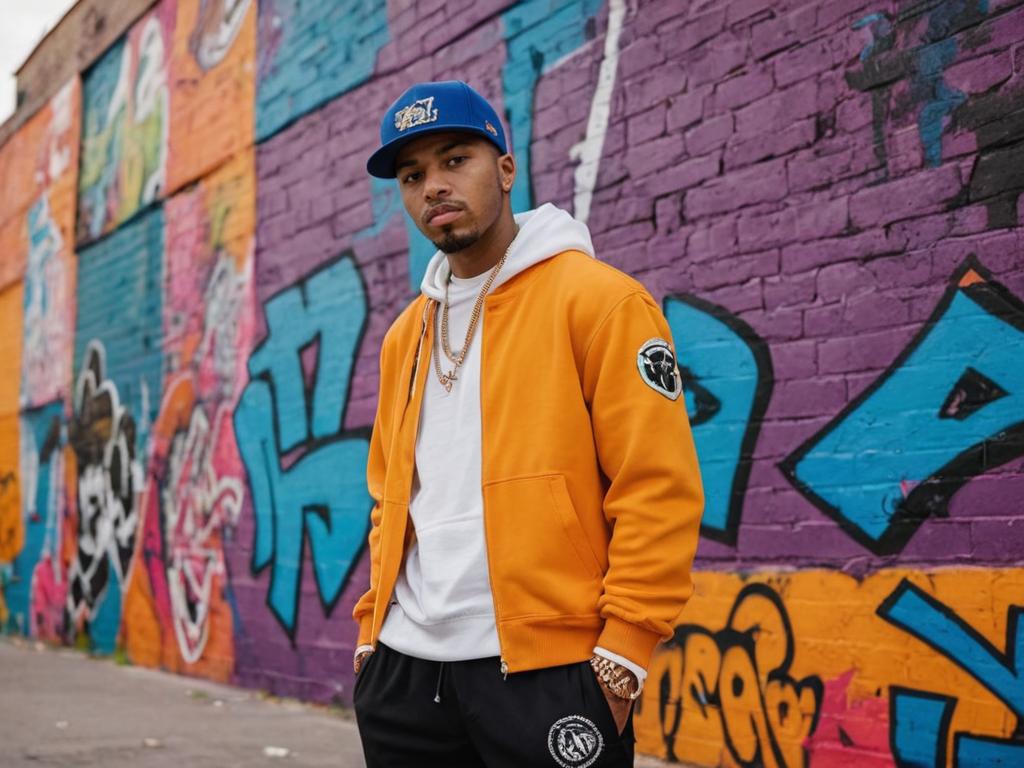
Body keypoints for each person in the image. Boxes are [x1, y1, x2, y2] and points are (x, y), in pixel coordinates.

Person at [352, 79, 703, 768]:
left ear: (505, 169)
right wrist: (372, 635)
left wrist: (622, 657)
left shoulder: (598, 301)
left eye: (456, 160)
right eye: (413, 175)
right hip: (404, 671)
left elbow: (657, 488)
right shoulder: (406, 336)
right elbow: (390, 495)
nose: (434, 188)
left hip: (550, 669)